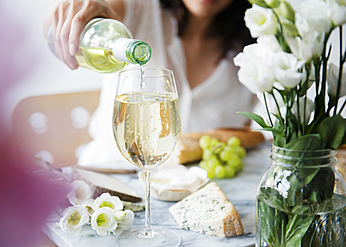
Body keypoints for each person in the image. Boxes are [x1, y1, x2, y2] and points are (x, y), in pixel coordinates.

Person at [43, 0, 257, 166]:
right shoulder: (141, 9)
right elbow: (93, 13)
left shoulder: (255, 53)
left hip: (187, 200)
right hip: (109, 188)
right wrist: (77, 14)